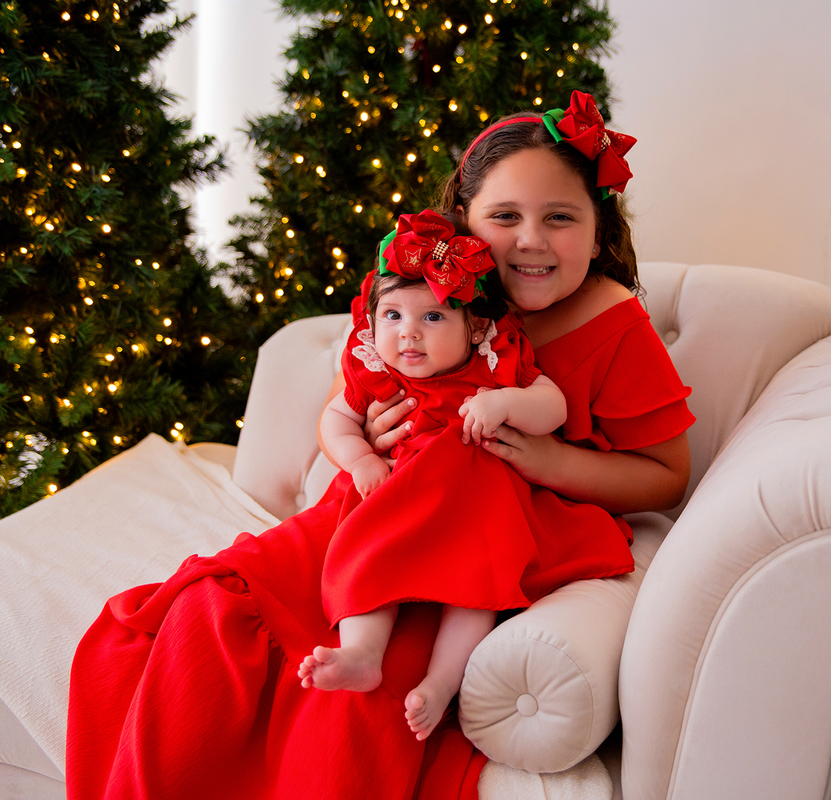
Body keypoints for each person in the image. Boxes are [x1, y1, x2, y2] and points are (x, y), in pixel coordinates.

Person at [66, 90, 695, 800]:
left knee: (355, 704)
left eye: (560, 217)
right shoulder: (425, 303)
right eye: (504, 217)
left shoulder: (612, 323)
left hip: (489, 534)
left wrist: (552, 460)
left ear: (598, 226)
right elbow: (343, 407)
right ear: (464, 224)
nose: (531, 240)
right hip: (366, 511)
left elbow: (667, 475)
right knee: (204, 611)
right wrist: (360, 443)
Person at [300, 210, 635, 741]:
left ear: (474, 325)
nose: (408, 334)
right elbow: (335, 419)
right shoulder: (375, 371)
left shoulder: (495, 363)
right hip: (397, 501)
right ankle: (363, 653)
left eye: (432, 318)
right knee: (368, 557)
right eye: (392, 317)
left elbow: (551, 407)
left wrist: (506, 402)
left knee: (477, 589)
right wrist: (362, 460)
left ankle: (441, 681)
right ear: (372, 321)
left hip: (476, 510)